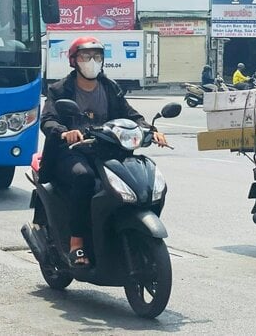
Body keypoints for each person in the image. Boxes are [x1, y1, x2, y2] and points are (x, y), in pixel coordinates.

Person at [39, 36, 168, 267]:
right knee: (84, 178)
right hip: (71, 151)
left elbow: (131, 115)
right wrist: (63, 132)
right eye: (86, 56)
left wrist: (151, 129)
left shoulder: (110, 87)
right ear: (74, 61)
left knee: (145, 178)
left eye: (97, 56)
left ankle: (132, 232)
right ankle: (77, 244)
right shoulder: (60, 89)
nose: (92, 61)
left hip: (106, 150)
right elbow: (48, 119)